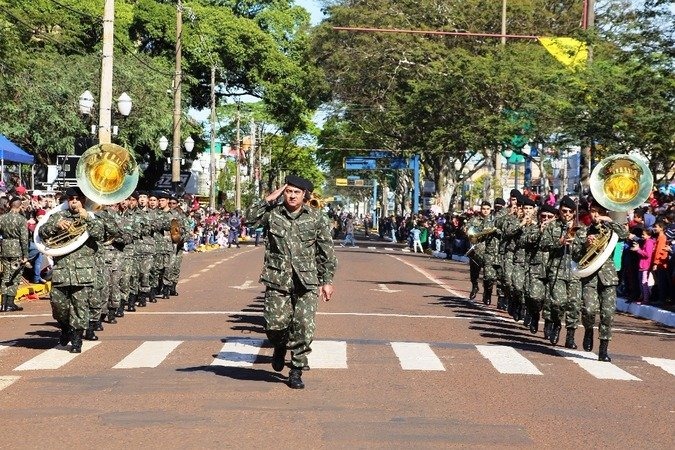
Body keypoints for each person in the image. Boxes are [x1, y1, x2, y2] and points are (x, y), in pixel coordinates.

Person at [245, 175, 337, 389]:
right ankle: (279, 345)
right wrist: (270, 197)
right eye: (288, 191)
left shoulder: (317, 217)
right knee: (274, 325)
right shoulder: (273, 215)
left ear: (304, 195)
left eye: (296, 192)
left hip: (307, 281)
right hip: (278, 279)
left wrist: (327, 281)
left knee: (304, 326)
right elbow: (249, 219)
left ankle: (296, 370)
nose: (292, 195)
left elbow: (327, 252)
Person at [38, 187, 104, 353]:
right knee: (58, 305)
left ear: (83, 200)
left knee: (80, 307)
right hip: (61, 270)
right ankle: (65, 327)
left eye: (77, 198)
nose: (74, 201)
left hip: (83, 271)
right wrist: (56, 226)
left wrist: (87, 218)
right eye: (71, 198)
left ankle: (76, 339)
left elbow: (99, 234)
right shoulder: (57, 216)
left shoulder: (92, 215)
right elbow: (42, 232)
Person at [579, 200, 628, 361]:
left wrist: (610, 221)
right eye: (593, 211)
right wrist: (586, 244)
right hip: (590, 276)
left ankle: (603, 349)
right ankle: (588, 330)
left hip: (608, 276)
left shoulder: (611, 229)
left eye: (599, 212)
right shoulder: (584, 231)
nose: (595, 215)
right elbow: (574, 254)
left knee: (607, 314)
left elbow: (624, 235)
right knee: (589, 309)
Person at [0, 197, 29, 312]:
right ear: (19, 206)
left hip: (5, 248)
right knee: (15, 276)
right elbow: (24, 238)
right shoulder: (21, 219)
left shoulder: (2, 218)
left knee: (6, 276)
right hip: (17, 249)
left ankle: (3, 303)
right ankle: (10, 303)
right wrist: (25, 255)